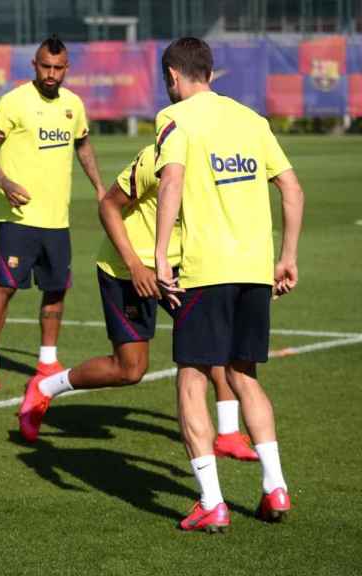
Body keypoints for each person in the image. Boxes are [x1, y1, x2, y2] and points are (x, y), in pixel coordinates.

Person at [17, 145, 259, 464]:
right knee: (130, 370)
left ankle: (228, 434)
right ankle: (46, 387)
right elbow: (108, 207)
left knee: (216, 343)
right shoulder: (156, 157)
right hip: (127, 268)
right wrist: (135, 266)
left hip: (183, 269)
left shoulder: (223, 162)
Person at [153, 37, 304, 532]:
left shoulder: (174, 120)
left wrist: (158, 256)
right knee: (244, 375)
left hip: (205, 269)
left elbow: (170, 181)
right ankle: (275, 487)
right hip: (255, 269)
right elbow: (291, 188)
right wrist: (286, 257)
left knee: (192, 377)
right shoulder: (251, 120)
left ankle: (213, 502)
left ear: (174, 76)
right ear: (211, 74)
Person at [0, 35, 107, 392]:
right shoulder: (14, 101)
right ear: (34, 66)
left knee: (56, 289)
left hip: (57, 219)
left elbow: (82, 144)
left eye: (58, 68)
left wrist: (98, 186)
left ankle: (47, 359)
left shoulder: (73, 105)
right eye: (45, 67)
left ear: (67, 68)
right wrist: (4, 180)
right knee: (6, 286)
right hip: (19, 217)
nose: (51, 74)